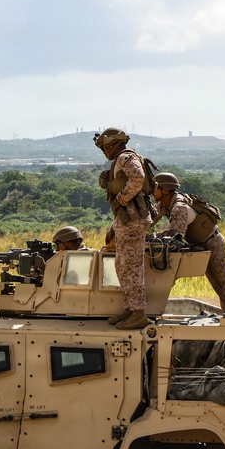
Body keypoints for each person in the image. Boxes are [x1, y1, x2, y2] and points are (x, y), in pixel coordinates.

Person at [94, 127, 156, 330]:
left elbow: (137, 178)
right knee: (122, 265)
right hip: (127, 219)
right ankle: (131, 308)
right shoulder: (122, 159)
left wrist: (122, 198)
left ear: (113, 143)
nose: (104, 152)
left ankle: (137, 312)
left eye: (104, 147)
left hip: (132, 219)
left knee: (130, 267)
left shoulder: (125, 158)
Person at [152, 172, 225, 314]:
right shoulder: (164, 204)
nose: (152, 191)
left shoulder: (180, 207)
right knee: (217, 283)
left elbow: (175, 236)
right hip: (199, 244)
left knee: (222, 284)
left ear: (165, 190)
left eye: (156, 188)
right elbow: (149, 220)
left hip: (212, 243)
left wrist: (153, 237)